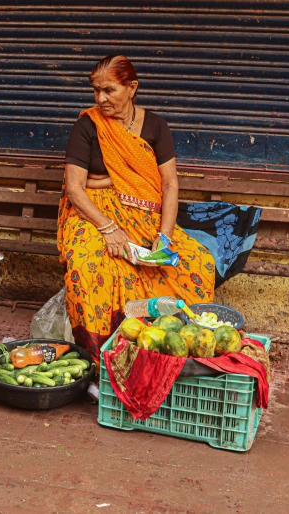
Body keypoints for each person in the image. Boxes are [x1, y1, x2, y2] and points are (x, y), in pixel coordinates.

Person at [58, 55, 216, 367]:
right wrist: (107, 227)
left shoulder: (156, 125)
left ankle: (170, 352)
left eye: (109, 90)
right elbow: (75, 187)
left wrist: (165, 237)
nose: (100, 99)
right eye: (96, 91)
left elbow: (170, 185)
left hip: (147, 220)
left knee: (199, 265)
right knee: (90, 267)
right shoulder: (87, 126)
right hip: (93, 217)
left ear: (132, 88)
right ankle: (98, 360)